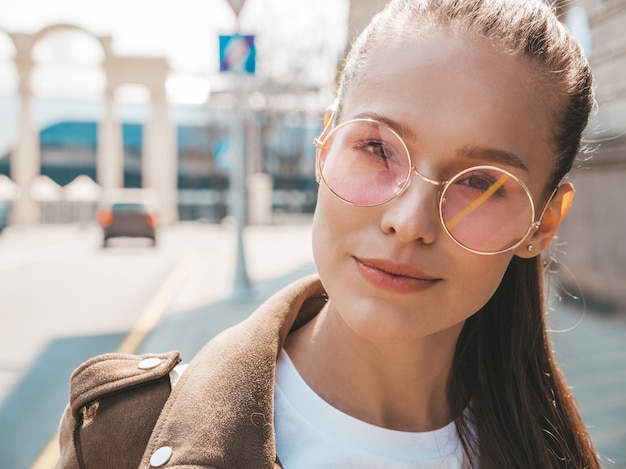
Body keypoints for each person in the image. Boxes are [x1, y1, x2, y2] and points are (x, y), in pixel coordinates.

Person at [55, 0, 600, 467]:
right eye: (377, 149)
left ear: (543, 222)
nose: (409, 222)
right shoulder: (123, 435)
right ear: (324, 144)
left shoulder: (555, 451)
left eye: (481, 182)